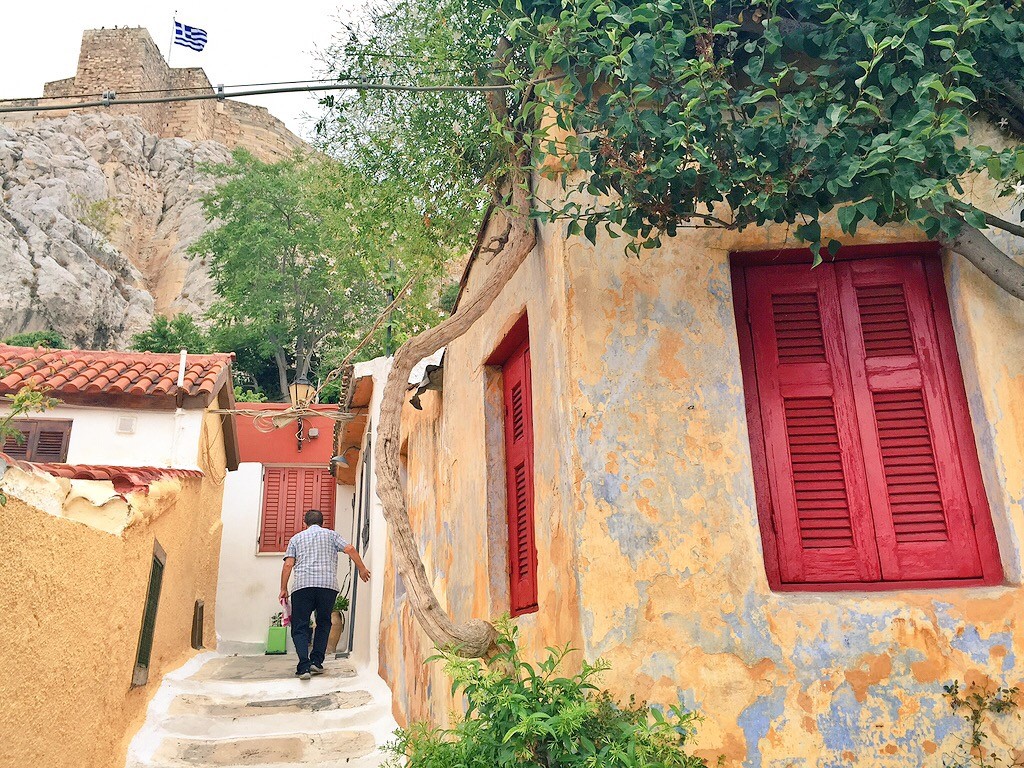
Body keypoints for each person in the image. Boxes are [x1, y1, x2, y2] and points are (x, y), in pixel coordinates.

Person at [279, 509, 370, 679]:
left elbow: (288, 565)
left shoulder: (296, 539)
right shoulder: (331, 535)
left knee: (300, 626)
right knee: (323, 623)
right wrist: (362, 568)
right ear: (322, 522)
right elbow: (349, 548)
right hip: (327, 586)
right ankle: (316, 662)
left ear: (304, 523)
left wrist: (283, 588)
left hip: (302, 586)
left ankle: (304, 667)